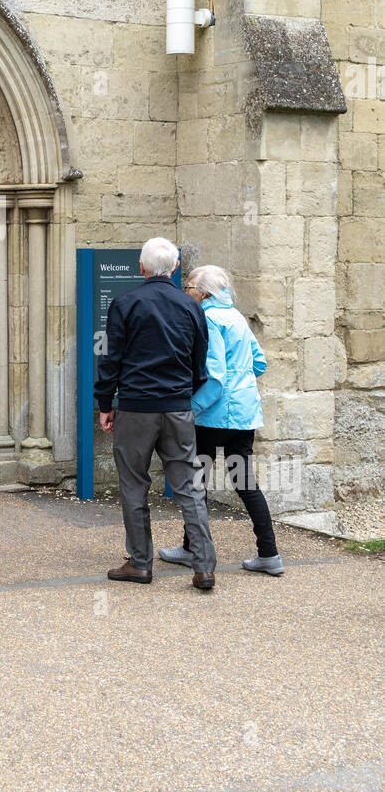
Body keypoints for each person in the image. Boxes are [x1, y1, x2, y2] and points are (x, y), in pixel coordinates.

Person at [94, 236, 218, 592]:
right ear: (176, 268)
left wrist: (106, 403)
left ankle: (140, 562)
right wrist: (183, 395)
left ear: (142, 267)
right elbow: (200, 362)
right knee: (190, 487)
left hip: (135, 407)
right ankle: (204, 566)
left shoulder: (125, 304)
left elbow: (110, 359)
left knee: (134, 484)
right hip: (177, 407)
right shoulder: (191, 306)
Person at [159, 265, 284, 576]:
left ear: (203, 293)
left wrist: (191, 407)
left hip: (212, 419)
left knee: (194, 482)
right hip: (243, 417)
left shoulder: (209, 319)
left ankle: (193, 550)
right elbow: (259, 362)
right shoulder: (237, 318)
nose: (186, 292)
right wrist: (239, 387)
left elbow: (214, 378)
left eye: (189, 287)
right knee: (246, 484)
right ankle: (269, 554)